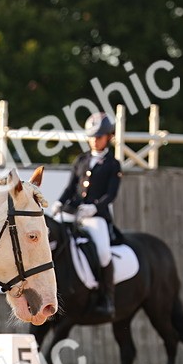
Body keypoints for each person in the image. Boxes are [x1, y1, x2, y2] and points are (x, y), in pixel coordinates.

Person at [51, 112, 123, 321]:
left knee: (103, 252)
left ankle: (107, 299)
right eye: (92, 136)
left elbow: (111, 194)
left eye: (99, 136)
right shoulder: (81, 160)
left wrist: (94, 207)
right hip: (73, 213)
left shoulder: (112, 164)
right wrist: (59, 202)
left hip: (96, 217)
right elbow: (70, 187)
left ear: (108, 137)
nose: (94, 140)